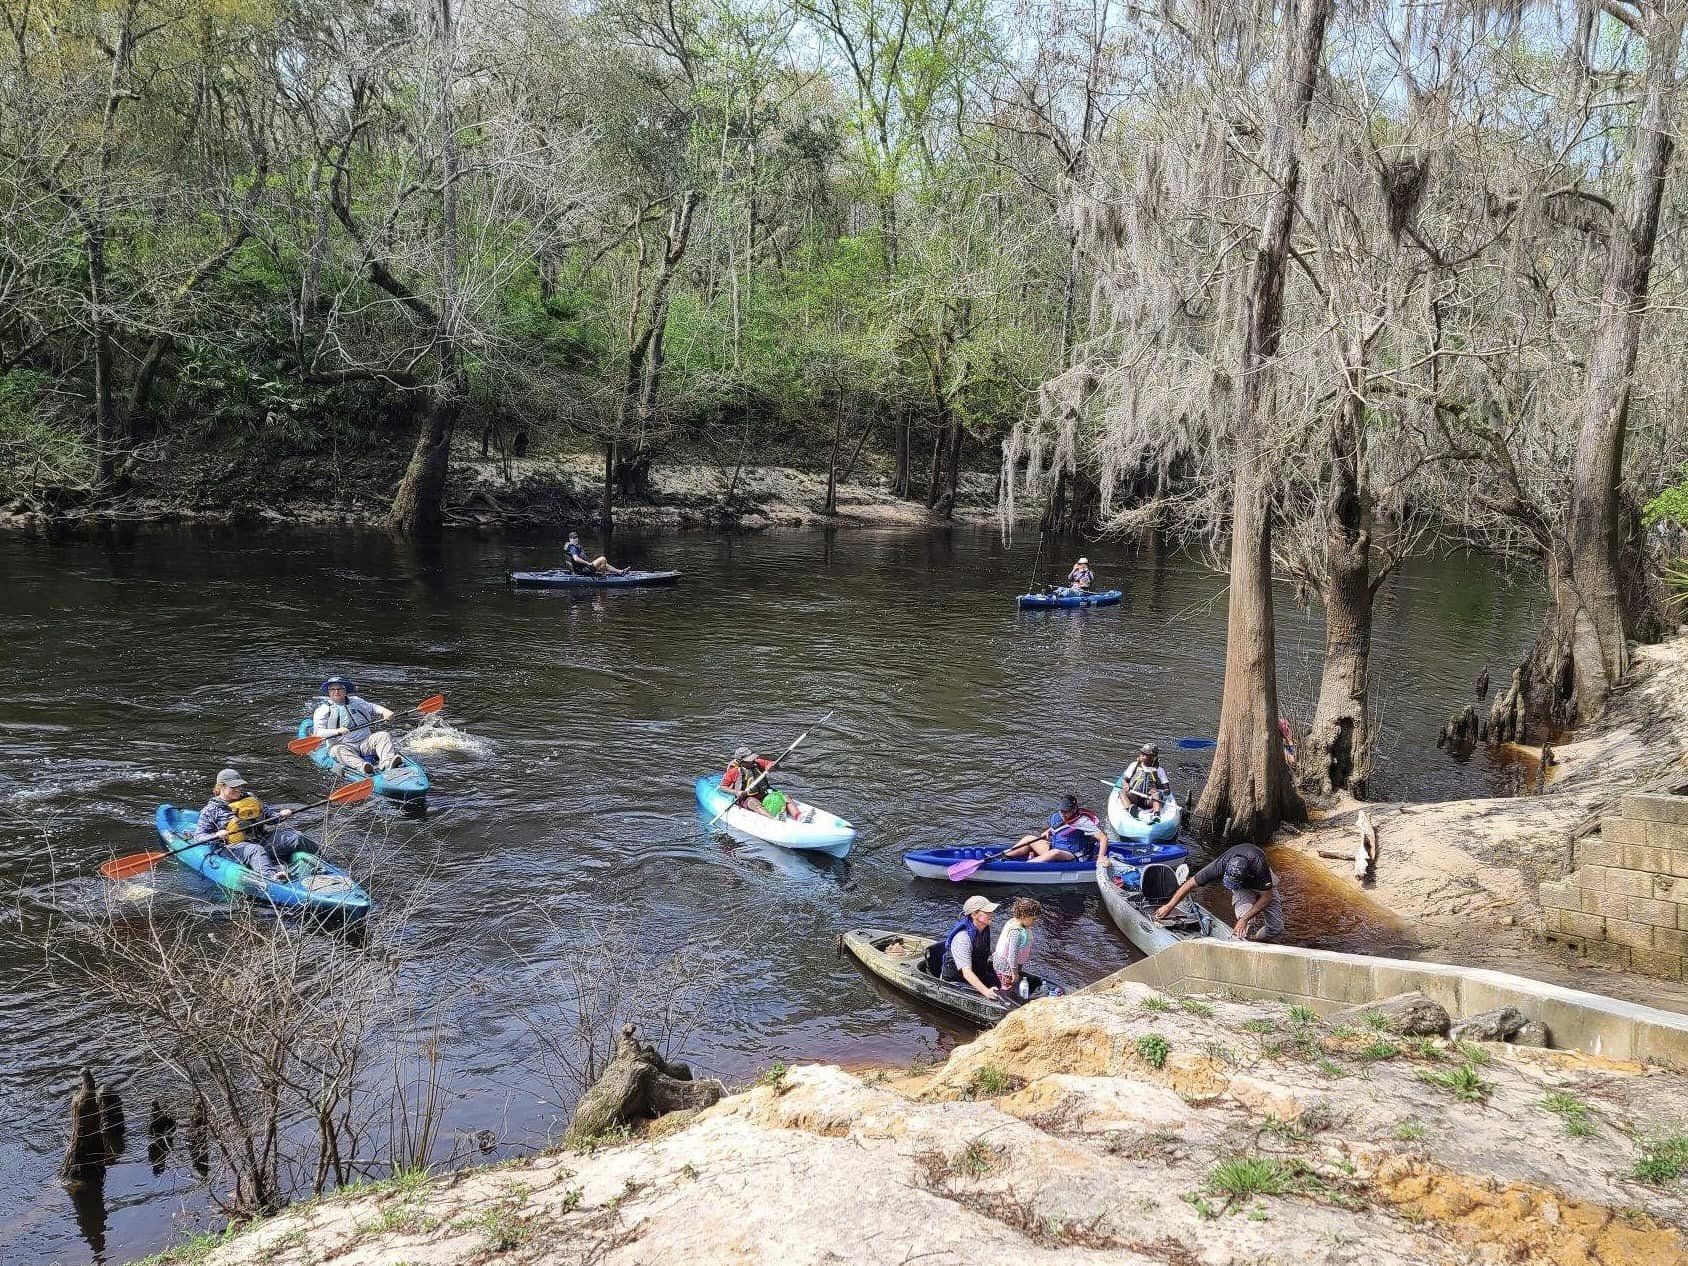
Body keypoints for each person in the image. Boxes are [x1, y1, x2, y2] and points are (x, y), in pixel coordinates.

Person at [194, 768, 316, 880]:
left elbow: (272, 818)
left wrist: (282, 815)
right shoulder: (211, 810)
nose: (237, 789)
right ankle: (273, 877)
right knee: (255, 850)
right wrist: (216, 834)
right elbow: (198, 836)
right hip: (232, 848)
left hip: (261, 839)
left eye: (239, 785)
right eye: (233, 787)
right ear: (221, 787)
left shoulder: (251, 800)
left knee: (296, 837)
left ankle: (324, 863)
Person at [1153, 842, 1285, 942]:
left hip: (1263, 881)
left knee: (1276, 928)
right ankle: (1247, 942)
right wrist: (1169, 906)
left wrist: (1244, 919)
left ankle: (1256, 940)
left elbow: (1267, 897)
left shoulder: (1259, 866)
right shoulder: (1220, 864)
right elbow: (1190, 883)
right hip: (1242, 887)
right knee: (1245, 926)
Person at [312, 677, 400, 776]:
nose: (336, 691)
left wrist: (385, 711)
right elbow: (318, 733)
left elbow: (372, 707)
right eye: (332, 689)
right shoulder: (322, 710)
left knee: (383, 735)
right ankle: (364, 767)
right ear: (328, 692)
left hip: (365, 743)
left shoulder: (357, 701)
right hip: (343, 746)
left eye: (340, 688)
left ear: (345, 690)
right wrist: (337, 731)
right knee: (337, 750)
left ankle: (388, 763)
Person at [1001, 794, 1110, 863]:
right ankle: (1003, 857)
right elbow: (1058, 828)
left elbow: (1103, 838)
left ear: (1074, 809)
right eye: (1061, 811)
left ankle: (1026, 866)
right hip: (1055, 847)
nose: (1063, 814)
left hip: (1073, 856)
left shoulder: (1083, 822)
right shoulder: (1059, 816)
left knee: (1055, 852)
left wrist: (1100, 857)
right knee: (1029, 838)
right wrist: (1047, 831)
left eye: (1066, 811)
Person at [941, 895, 1001, 1000]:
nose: (992, 914)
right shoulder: (962, 938)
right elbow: (967, 973)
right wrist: (986, 992)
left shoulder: (984, 929)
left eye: (991, 911)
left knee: (1003, 986)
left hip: (978, 972)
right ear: (974, 914)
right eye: (987, 912)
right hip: (956, 981)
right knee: (993, 997)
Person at [721, 747, 803, 821]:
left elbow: (773, 765)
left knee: (786, 797)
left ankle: (798, 816)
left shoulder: (758, 763)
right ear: (741, 762)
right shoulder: (734, 771)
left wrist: (773, 766)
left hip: (764, 794)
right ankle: (774, 820)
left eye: (753, 758)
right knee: (753, 802)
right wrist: (736, 792)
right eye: (749, 760)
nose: (753, 761)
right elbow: (723, 787)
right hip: (747, 798)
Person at [991, 898, 1043, 999]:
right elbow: (1012, 956)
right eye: (1033, 919)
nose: (1034, 922)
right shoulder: (1016, 932)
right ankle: (1005, 999)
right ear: (1024, 916)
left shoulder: (1016, 922)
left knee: (1012, 981)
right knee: (1008, 983)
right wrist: (1014, 973)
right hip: (1005, 966)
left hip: (1010, 963)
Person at [1120, 743, 1171, 819]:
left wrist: (1159, 791)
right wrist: (1125, 785)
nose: (1142, 755)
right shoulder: (1134, 765)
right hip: (1135, 796)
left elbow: (1167, 790)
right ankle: (1130, 808)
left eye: (1145, 754)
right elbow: (1124, 779)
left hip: (1149, 800)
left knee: (1157, 795)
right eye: (1142, 753)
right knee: (1122, 792)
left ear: (1153, 757)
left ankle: (1156, 814)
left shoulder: (1159, 770)